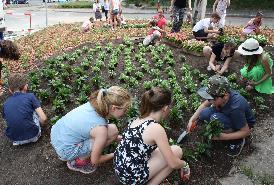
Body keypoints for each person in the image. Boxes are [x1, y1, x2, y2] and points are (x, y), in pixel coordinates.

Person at [114, 87, 190, 184]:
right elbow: (173, 163)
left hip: (120, 167)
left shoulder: (139, 119)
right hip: (131, 177)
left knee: (170, 152)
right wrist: (185, 164)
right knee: (177, 152)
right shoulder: (156, 129)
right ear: (165, 108)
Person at [51, 86, 131, 174]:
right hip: (66, 150)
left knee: (113, 131)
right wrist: (117, 153)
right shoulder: (101, 130)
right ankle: (78, 162)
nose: (126, 112)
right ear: (114, 108)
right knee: (106, 134)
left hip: (57, 134)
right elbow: (95, 161)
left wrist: (119, 138)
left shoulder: (95, 104)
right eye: (125, 109)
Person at [187, 75, 256, 157]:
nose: (209, 101)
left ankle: (237, 140)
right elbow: (205, 105)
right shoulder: (221, 95)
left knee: (215, 118)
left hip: (243, 126)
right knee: (203, 114)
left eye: (212, 99)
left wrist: (222, 137)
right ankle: (225, 127)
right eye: (208, 98)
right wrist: (192, 120)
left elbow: (246, 131)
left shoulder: (235, 108)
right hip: (226, 113)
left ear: (225, 95)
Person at [2, 73, 47, 146]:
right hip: (34, 136)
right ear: (26, 86)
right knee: (34, 111)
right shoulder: (30, 96)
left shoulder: (5, 104)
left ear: (10, 90)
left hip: (15, 139)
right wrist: (42, 125)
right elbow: (43, 118)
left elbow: (6, 119)